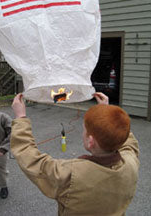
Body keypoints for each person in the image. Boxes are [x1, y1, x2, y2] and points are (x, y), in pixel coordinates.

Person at [10, 92, 139, 215]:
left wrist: (21, 118)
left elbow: (31, 159)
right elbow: (125, 138)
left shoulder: (70, 175)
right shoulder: (131, 162)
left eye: (84, 130)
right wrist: (107, 114)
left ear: (90, 141)